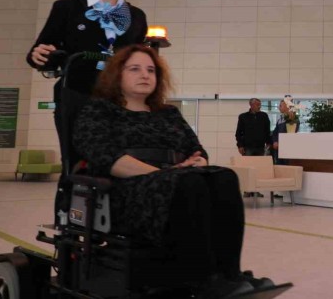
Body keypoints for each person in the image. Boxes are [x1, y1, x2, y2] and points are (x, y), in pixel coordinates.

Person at [73, 45, 252, 299]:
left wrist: (198, 163)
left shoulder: (168, 113)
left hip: (175, 179)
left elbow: (196, 150)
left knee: (224, 178)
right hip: (125, 190)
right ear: (116, 75)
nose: (145, 75)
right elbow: (106, 157)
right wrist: (163, 174)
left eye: (151, 70)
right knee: (189, 185)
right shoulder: (99, 110)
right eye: (134, 69)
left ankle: (230, 274)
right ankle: (202, 280)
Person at [27, 0, 148, 102]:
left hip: (120, 98)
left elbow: (138, 59)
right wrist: (40, 56)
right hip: (76, 95)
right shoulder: (67, 8)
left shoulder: (137, 16)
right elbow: (41, 53)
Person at [270, 96, 299, 166]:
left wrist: (281, 143)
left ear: (287, 106)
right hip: (278, 148)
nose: (278, 107)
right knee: (279, 166)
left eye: (280, 106)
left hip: (288, 148)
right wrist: (275, 141)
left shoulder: (294, 119)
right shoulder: (280, 119)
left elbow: (291, 133)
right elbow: (275, 132)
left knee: (288, 166)